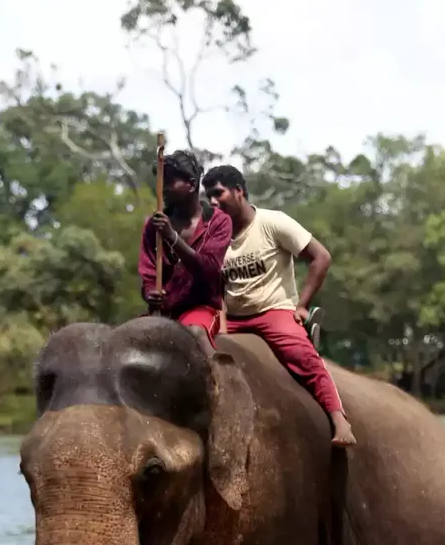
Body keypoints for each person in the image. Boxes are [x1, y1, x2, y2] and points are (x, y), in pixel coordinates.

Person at [202, 165, 356, 447]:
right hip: (233, 317)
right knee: (196, 349)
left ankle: (339, 418)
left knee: (304, 358)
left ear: (239, 191)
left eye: (218, 193)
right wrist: (220, 324)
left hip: (273, 311)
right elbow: (216, 284)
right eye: (208, 196)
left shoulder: (273, 222)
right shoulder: (215, 234)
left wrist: (302, 306)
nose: (212, 202)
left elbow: (321, 257)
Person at [138, 150, 232, 347]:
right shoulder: (153, 226)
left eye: (170, 182)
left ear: (191, 184)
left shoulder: (218, 221)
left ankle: (219, 378)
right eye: (161, 182)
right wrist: (150, 294)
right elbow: (148, 275)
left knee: (194, 336)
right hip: (161, 313)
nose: (163, 189)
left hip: (201, 310)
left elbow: (209, 270)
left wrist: (172, 237)